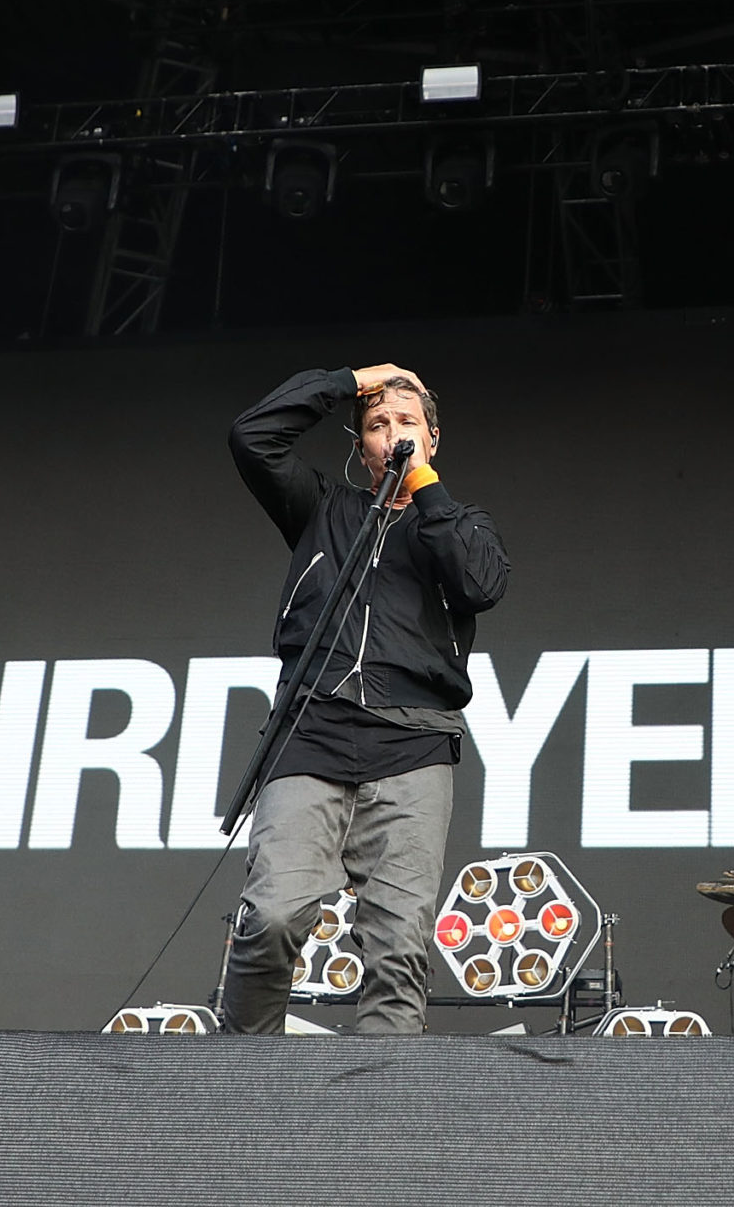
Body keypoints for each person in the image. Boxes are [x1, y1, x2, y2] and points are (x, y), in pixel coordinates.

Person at [222, 363, 509, 1034]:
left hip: (412, 747)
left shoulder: (459, 522)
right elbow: (252, 437)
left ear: (432, 439)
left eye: (406, 422)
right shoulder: (324, 509)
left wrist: (426, 491)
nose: (392, 434)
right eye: (378, 426)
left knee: (398, 950)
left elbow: (482, 584)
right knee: (270, 917)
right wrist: (352, 380)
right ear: (361, 448)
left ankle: (380, 1116)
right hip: (311, 734)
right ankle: (236, 1076)